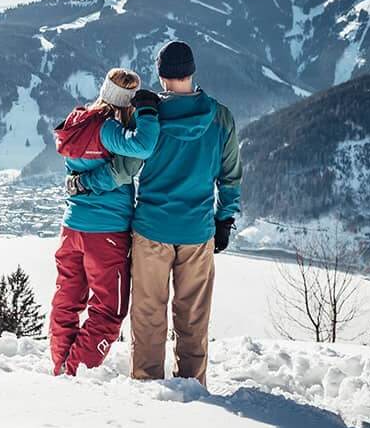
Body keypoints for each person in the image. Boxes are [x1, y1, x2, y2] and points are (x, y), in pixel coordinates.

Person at [126, 41, 241, 387]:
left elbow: (126, 166)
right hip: (197, 231)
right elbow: (230, 177)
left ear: (161, 75)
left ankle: (147, 386)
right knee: (193, 317)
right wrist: (224, 219)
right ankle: (193, 389)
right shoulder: (220, 116)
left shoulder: (150, 115)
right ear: (192, 72)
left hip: (152, 229)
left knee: (148, 315)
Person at [49, 68, 160, 375]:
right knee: (109, 311)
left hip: (72, 227)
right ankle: (74, 372)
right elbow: (144, 146)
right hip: (106, 232)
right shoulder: (107, 129)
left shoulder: (78, 123)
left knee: (67, 300)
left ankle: (60, 367)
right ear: (126, 101)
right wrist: (148, 112)